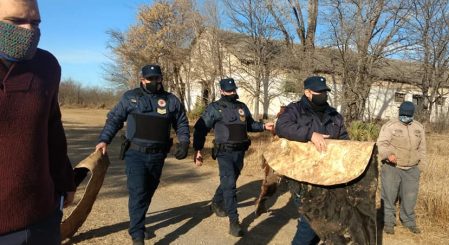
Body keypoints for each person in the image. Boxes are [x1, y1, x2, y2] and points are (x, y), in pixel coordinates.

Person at [0, 0, 76, 244]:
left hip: (40, 218)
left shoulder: (47, 66)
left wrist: (65, 181)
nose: (28, 30)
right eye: (15, 21)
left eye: (35, 22)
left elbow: (52, 127)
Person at [95, 64, 190, 245]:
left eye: (157, 78)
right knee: (138, 191)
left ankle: (138, 223)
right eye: (150, 79)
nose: (154, 82)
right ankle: (137, 234)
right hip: (135, 154)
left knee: (148, 191)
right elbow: (114, 119)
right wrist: (104, 139)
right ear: (142, 79)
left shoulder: (170, 100)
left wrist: (184, 142)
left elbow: (182, 123)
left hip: (158, 156)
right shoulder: (130, 97)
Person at [192, 78, 274, 237]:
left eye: (234, 90)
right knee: (230, 185)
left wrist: (264, 126)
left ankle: (216, 202)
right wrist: (198, 150)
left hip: (240, 152)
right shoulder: (215, 108)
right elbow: (200, 129)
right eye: (229, 90)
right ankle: (234, 222)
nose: (232, 93)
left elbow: (250, 125)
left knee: (229, 181)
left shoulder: (241, 107)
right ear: (222, 91)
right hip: (224, 152)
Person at [275, 76, 349, 245]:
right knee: (312, 218)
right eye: (319, 92)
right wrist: (310, 134)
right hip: (302, 176)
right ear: (307, 92)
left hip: (328, 177)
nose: (323, 95)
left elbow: (345, 141)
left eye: (325, 92)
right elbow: (282, 127)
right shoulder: (295, 110)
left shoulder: (335, 116)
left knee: (321, 221)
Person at [376, 101, 426, 235]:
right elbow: (381, 144)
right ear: (399, 113)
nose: (405, 117)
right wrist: (388, 155)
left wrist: (421, 167)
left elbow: (422, 148)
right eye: (403, 114)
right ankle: (388, 223)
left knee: (410, 198)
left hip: (412, 169)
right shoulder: (390, 126)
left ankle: (409, 221)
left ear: (412, 115)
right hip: (392, 167)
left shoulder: (418, 127)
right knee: (389, 197)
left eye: (408, 115)